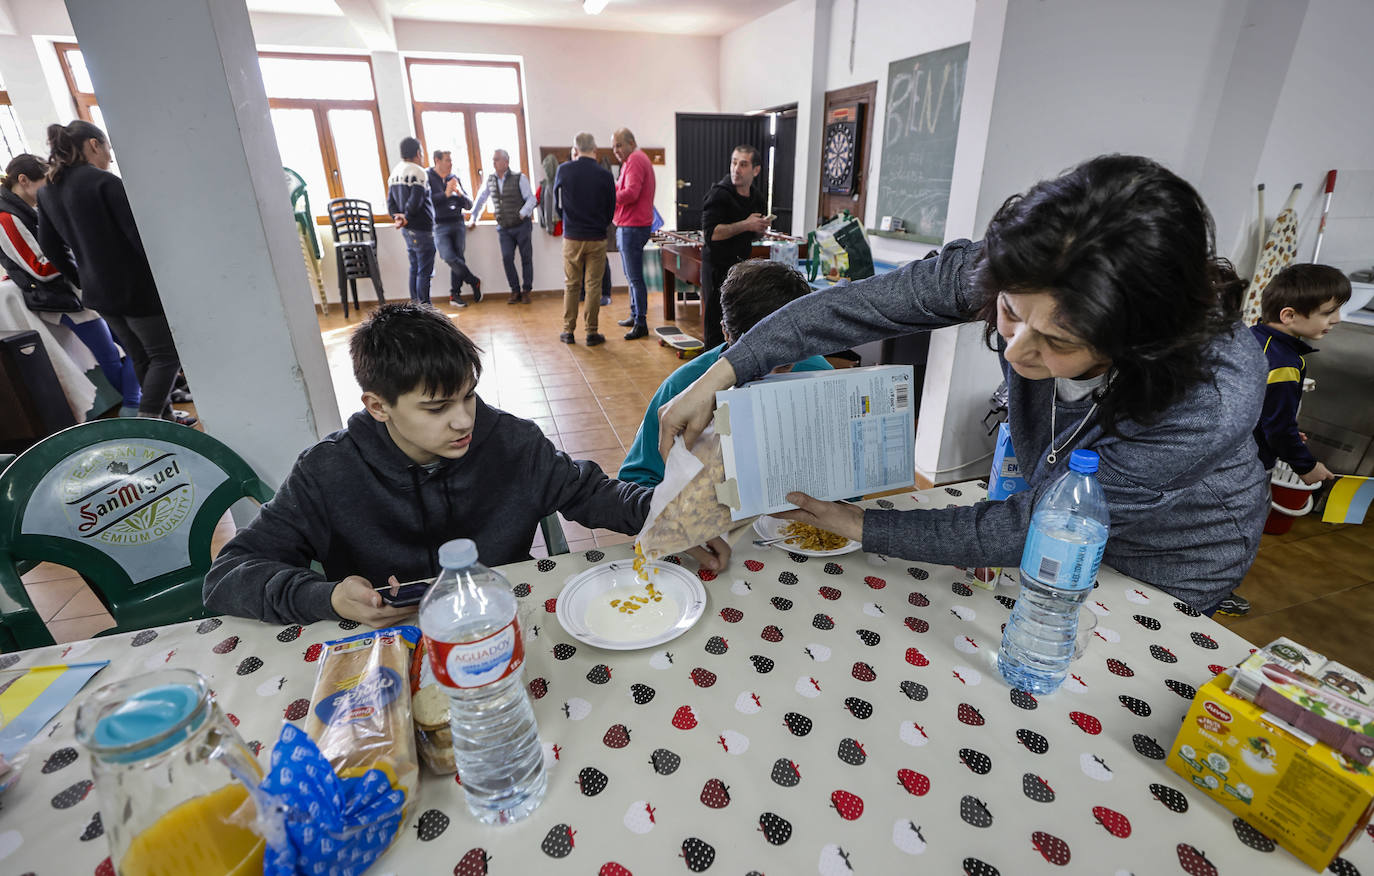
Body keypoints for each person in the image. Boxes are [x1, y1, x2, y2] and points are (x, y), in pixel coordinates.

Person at [659, 154, 1269, 615]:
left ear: (1138, 341)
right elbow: (847, 308)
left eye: (1058, 342)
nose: (1017, 349)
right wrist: (724, 370)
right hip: (1054, 523)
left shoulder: (1208, 399)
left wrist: (859, 526)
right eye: (1007, 311)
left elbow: (1028, 526)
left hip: (1167, 562)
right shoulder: (1026, 266)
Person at [204, 302, 674, 626]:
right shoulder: (327, 473)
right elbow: (226, 578)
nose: (462, 421)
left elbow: (596, 494)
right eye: (436, 408)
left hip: (501, 628)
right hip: (388, 646)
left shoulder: (512, 442)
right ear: (378, 405)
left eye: (468, 396)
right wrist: (327, 596)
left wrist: (678, 510)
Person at [620, 259, 833, 487]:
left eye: (784, 365)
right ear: (725, 333)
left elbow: (846, 480)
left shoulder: (819, 377)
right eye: (753, 367)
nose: (767, 377)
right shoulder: (682, 387)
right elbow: (637, 480)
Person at [35, 121, 193, 425]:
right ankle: (150, 425)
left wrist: (80, 278)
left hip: (99, 294)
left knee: (142, 357)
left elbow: (50, 248)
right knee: (166, 356)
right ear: (94, 144)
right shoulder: (105, 183)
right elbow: (138, 240)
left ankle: (167, 419)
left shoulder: (48, 192)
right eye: (107, 147)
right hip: (136, 290)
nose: (110, 155)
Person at [1, 154, 142, 415]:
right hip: (62, 298)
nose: (50, 188)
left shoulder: (28, 208)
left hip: (76, 290)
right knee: (116, 353)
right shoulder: (6, 217)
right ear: (23, 180)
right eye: (45, 181)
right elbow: (39, 267)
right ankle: (136, 407)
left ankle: (139, 406)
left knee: (132, 345)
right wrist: (81, 249)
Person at [1251, 263, 1348, 483]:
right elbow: (1278, 428)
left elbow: (1260, 410)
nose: (1337, 319)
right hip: (1251, 463)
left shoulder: (1252, 337)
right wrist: (1306, 465)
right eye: (1328, 312)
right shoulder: (1283, 364)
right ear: (1289, 315)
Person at [700, 144, 769, 349]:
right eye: (734, 162)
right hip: (716, 268)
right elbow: (711, 234)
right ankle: (710, 368)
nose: (736, 169)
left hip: (740, 268)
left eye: (743, 164)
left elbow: (753, 233)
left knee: (737, 322)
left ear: (755, 170)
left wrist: (759, 228)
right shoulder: (718, 195)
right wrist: (746, 224)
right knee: (715, 324)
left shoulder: (757, 197)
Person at [553, 133, 616, 345]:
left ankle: (568, 331)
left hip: (572, 236)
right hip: (597, 237)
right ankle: (591, 332)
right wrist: (602, 224)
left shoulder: (564, 170)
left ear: (576, 149)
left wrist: (567, 220)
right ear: (594, 149)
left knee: (571, 285)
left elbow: (557, 202)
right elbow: (611, 207)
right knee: (593, 286)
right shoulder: (605, 174)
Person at [470, 149, 536, 304]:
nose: (494, 162)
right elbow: (481, 199)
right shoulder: (490, 179)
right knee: (507, 258)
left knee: (526, 258)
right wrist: (474, 218)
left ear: (506, 162)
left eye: (497, 159)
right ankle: (515, 290)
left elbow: (531, 199)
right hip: (504, 228)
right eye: (493, 159)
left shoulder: (520, 178)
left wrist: (522, 213)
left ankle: (526, 290)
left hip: (522, 226)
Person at [611, 128, 656, 339]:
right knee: (631, 276)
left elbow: (631, 193)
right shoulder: (631, 160)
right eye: (614, 146)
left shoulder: (636, 159)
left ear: (631, 142)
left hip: (633, 226)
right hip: (628, 225)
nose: (616, 150)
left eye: (619, 145)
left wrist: (609, 193)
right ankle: (634, 314)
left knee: (635, 278)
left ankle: (641, 322)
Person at [427, 149, 482, 308]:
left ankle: (455, 294)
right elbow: (429, 202)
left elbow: (469, 204)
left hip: (457, 223)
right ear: (437, 161)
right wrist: (446, 193)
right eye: (447, 160)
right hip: (440, 225)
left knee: (459, 258)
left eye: (451, 160)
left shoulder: (454, 178)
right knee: (449, 257)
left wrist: (458, 193)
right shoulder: (428, 177)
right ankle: (473, 281)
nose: (451, 163)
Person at [386, 137, 435, 305]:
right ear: (417, 153)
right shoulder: (418, 172)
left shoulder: (395, 172)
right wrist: (407, 216)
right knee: (424, 271)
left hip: (407, 229)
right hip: (421, 228)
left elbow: (390, 203)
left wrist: (397, 217)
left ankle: (415, 307)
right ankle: (425, 309)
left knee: (414, 268)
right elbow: (416, 201)